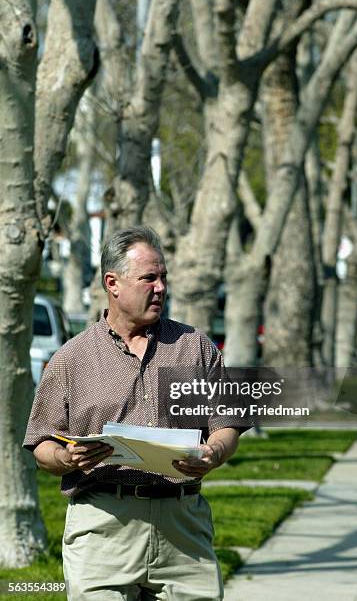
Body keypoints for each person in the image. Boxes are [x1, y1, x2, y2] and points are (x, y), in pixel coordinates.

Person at [24, 226, 243, 601]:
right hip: (103, 526)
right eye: (149, 278)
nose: (160, 288)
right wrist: (66, 456)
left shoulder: (195, 347)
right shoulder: (70, 359)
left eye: (163, 278)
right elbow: (41, 443)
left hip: (182, 525)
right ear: (113, 283)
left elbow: (226, 426)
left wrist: (214, 453)